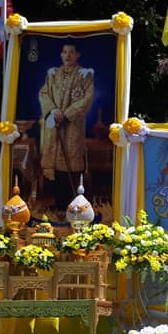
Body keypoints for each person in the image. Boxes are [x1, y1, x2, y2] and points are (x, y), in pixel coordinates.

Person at [39, 42, 95, 211]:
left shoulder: (85, 75)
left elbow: (87, 99)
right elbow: (44, 93)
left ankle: (74, 205)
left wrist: (67, 114)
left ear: (78, 55)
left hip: (73, 127)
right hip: (54, 125)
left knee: (71, 162)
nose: (67, 55)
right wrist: (54, 110)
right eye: (64, 52)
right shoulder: (53, 74)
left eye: (71, 52)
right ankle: (57, 203)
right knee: (55, 164)